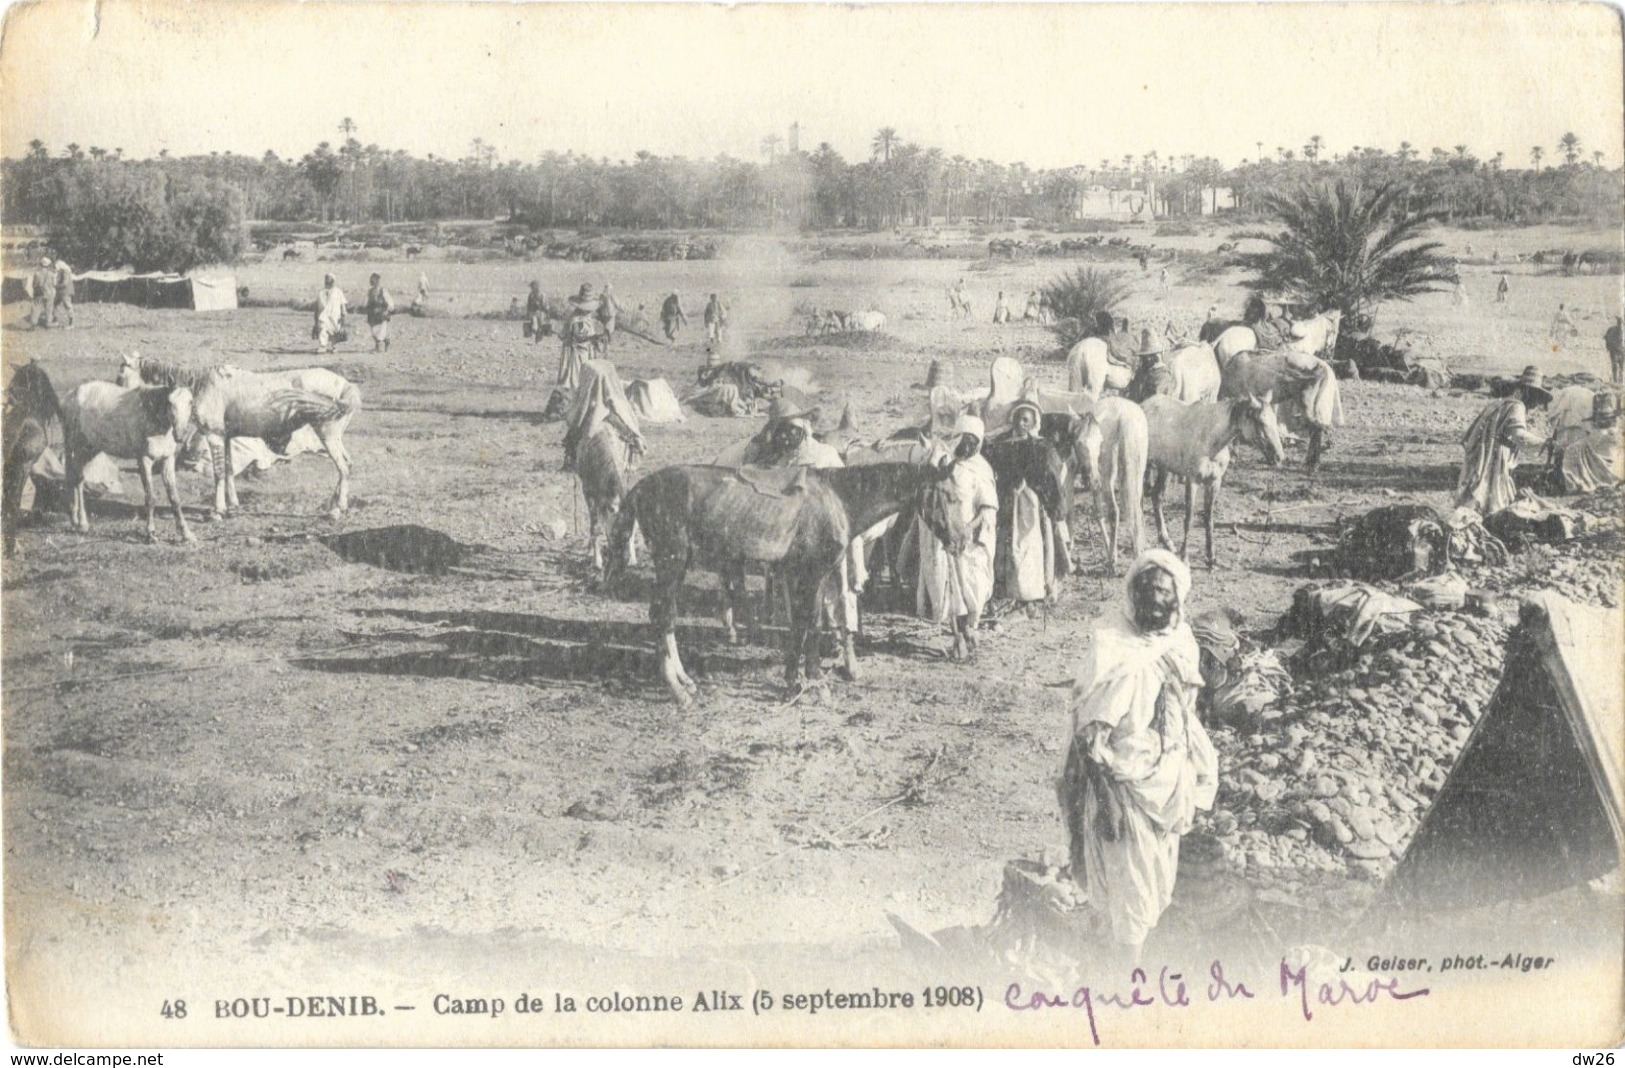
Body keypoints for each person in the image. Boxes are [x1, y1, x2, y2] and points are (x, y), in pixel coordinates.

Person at [1058, 549, 1217, 965]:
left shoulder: (1181, 642)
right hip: (1124, 787)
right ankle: (1124, 989)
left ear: (1177, 599)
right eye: (1147, 590)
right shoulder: (1114, 646)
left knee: (1152, 889)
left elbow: (1185, 707)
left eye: (1164, 592)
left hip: (1167, 782)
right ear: (1133, 593)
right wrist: (1107, 801)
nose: (1155, 600)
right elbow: (1090, 737)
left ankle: (1115, 962)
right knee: (1131, 894)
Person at [917, 414, 999, 660]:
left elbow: (988, 508)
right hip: (944, 538)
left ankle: (970, 628)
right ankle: (958, 637)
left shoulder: (981, 469)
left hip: (971, 541)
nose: (968, 445)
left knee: (973, 588)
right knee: (948, 587)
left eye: (974, 441)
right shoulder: (944, 463)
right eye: (965, 439)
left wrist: (968, 528)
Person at [990, 397, 1059, 610]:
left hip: (1030, 505)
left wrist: (1034, 491)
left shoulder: (1041, 446)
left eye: (1026, 420)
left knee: (1029, 547)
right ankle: (1005, 590)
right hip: (1008, 501)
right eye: (1019, 419)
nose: (1021, 424)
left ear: (1033, 423)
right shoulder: (1002, 444)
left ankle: (1031, 591)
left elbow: (1048, 478)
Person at [1456, 365, 1551, 515]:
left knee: (1479, 489)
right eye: (1535, 397)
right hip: (1494, 456)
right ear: (1527, 392)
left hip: (1482, 453)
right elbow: (1518, 434)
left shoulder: (1498, 403)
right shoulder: (1517, 406)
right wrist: (1545, 443)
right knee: (1489, 493)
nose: (1535, 404)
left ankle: (1467, 519)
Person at [1559, 390, 1622, 494]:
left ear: (1594, 421)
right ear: (1615, 419)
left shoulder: (1574, 449)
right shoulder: (1619, 441)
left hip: (1583, 492)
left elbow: (1571, 485)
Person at [559, 284, 604, 389]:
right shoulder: (577, 319)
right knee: (577, 377)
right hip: (578, 352)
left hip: (585, 349)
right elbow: (579, 337)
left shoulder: (586, 317)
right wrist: (593, 338)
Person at [314, 273, 347, 354]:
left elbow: (342, 304)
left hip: (335, 315)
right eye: (326, 279)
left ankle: (334, 346)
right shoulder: (321, 292)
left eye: (329, 279)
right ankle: (323, 346)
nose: (327, 280)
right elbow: (317, 306)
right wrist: (315, 316)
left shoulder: (338, 291)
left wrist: (343, 314)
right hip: (323, 315)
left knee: (335, 330)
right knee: (322, 329)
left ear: (333, 280)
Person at [364, 273, 394, 353]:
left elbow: (390, 301)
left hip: (381, 313)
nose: (372, 281)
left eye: (374, 279)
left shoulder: (383, 290)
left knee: (381, 330)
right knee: (373, 331)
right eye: (371, 279)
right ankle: (386, 340)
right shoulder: (370, 291)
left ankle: (378, 348)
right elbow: (369, 302)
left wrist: (388, 310)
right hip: (372, 313)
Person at [28, 256, 55, 328]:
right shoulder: (51, 273)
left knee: (36, 307)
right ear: (49, 265)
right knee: (49, 308)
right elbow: (54, 284)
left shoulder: (37, 273)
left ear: (40, 264)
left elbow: (34, 284)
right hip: (49, 293)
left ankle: (33, 324)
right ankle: (48, 323)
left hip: (39, 293)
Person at [596, 283, 622, 351]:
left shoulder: (602, 296)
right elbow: (618, 305)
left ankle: (606, 344)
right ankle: (608, 344)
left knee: (606, 329)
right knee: (609, 330)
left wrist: (599, 314)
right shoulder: (611, 295)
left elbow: (598, 306)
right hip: (610, 315)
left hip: (605, 315)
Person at [52, 260, 75, 327]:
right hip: (61, 291)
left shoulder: (65, 271)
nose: (55, 267)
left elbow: (65, 283)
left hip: (65, 291)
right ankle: (55, 320)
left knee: (68, 306)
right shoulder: (62, 271)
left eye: (56, 266)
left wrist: (56, 286)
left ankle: (71, 323)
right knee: (54, 304)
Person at [1605, 315, 1623, 385]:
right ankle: (1615, 381)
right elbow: (1607, 337)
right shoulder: (1612, 330)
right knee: (1615, 365)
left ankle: (1620, 380)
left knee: (1621, 366)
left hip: (1622, 350)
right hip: (1615, 350)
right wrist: (1609, 347)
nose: (1620, 324)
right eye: (1619, 322)